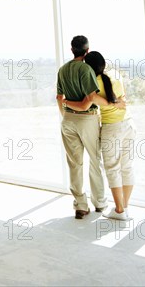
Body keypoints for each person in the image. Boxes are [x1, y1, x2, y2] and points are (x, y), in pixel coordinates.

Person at [63, 51, 135, 221]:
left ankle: (118, 211)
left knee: (112, 169)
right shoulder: (116, 75)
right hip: (129, 124)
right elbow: (121, 98)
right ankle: (125, 208)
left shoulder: (93, 83)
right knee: (127, 167)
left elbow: (83, 106)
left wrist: (65, 101)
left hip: (112, 128)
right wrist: (116, 103)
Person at [56, 35, 109, 219]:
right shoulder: (86, 69)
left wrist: (66, 114)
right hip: (87, 119)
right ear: (87, 51)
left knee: (74, 163)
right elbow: (89, 101)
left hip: (67, 120)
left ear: (72, 50)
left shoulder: (62, 70)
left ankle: (80, 205)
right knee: (95, 160)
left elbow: (59, 98)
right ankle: (100, 203)